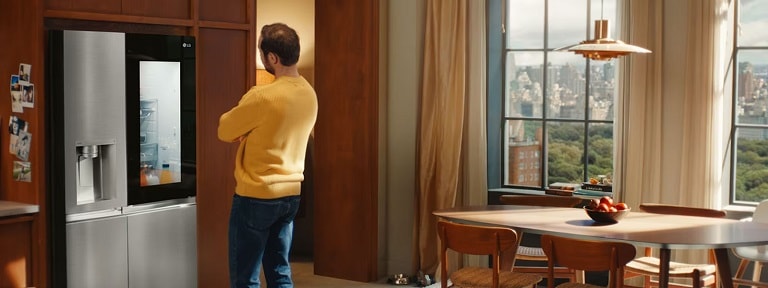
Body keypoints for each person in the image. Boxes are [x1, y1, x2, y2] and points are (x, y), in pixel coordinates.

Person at [218, 23, 317, 288]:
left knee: (245, 278)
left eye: (262, 53)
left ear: (272, 58)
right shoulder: (309, 94)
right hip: (290, 196)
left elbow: (224, 129)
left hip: (256, 197)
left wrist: (246, 131)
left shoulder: (263, 96)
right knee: (279, 272)